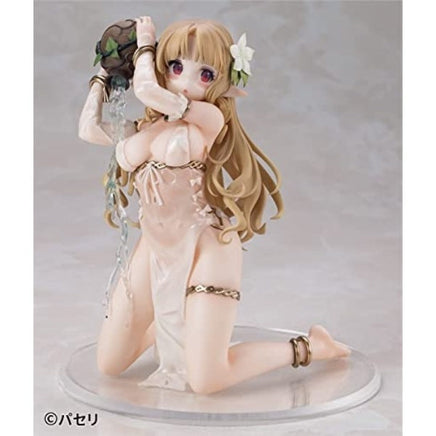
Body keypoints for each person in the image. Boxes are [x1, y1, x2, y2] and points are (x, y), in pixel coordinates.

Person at [78, 16, 350, 395]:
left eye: (205, 74)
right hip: (154, 247)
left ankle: (311, 347)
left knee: (207, 380)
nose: (186, 82)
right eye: (176, 67)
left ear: (221, 81)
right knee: (109, 362)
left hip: (206, 245)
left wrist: (145, 44)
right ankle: (176, 326)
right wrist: (102, 78)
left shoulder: (208, 118)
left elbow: (149, 91)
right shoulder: (146, 127)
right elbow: (89, 129)